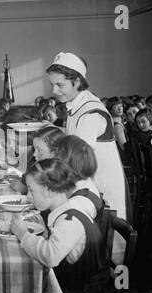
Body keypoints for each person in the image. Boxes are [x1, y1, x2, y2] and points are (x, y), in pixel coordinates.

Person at [46, 52, 131, 264]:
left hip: (103, 190)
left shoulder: (91, 112)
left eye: (59, 85)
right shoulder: (77, 106)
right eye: (52, 85)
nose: (54, 91)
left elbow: (75, 160)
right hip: (87, 186)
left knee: (108, 251)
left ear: (77, 81)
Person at [10, 158, 109, 293]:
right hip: (76, 286)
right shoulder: (68, 208)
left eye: (32, 191)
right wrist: (43, 229)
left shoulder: (70, 220)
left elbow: (51, 257)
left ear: (48, 191)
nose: (28, 196)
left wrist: (24, 235)